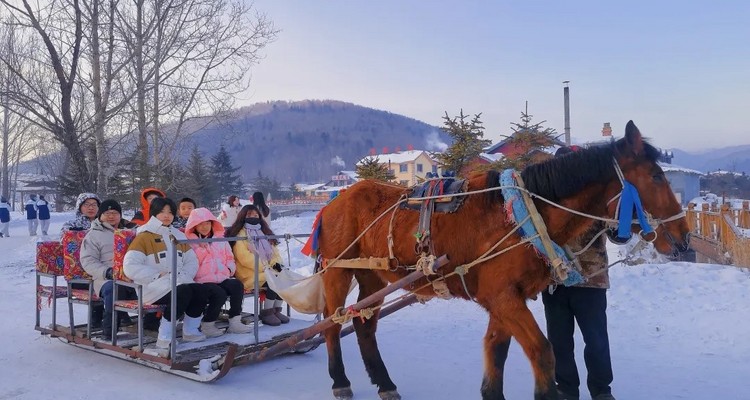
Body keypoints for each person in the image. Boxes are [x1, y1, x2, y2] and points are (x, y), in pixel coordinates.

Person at [542, 146, 616, 400]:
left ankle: (601, 390)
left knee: (596, 341)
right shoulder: (545, 201)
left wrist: (622, 222)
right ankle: (566, 389)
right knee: (560, 343)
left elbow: (616, 233)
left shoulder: (595, 199)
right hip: (554, 282)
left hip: (591, 280)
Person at [123, 197, 208, 348]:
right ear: (154, 213)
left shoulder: (178, 235)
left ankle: (191, 330)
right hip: (152, 287)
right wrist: (157, 275)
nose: (166, 215)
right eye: (162, 212)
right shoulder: (144, 236)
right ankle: (165, 336)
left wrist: (184, 276)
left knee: (200, 290)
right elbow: (130, 266)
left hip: (178, 282)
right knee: (182, 292)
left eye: (170, 212)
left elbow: (191, 261)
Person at [185, 207, 252, 335]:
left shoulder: (220, 239)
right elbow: (191, 263)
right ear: (194, 225)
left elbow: (229, 257)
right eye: (200, 224)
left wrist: (229, 269)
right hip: (202, 281)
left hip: (221, 277)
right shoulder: (190, 243)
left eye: (207, 223)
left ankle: (235, 321)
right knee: (219, 293)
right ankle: (208, 324)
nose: (205, 227)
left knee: (236, 285)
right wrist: (201, 247)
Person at [80, 199, 138, 340]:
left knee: (157, 286)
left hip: (134, 274)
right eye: (107, 213)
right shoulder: (93, 235)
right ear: (100, 215)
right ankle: (109, 330)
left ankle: (152, 325)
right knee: (114, 289)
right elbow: (88, 260)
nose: (111, 216)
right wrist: (107, 272)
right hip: (106, 278)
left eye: (114, 213)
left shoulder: (131, 232)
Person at [225, 204, 289, 326]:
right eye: (249, 215)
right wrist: (266, 267)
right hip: (248, 273)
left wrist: (276, 265)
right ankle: (267, 312)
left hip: (266, 270)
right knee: (273, 280)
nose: (253, 217)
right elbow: (244, 258)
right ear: (243, 216)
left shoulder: (264, 232)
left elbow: (275, 252)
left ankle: (276, 310)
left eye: (255, 215)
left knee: (283, 277)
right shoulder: (240, 234)